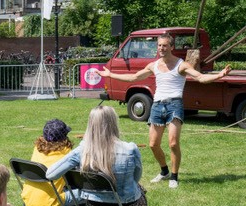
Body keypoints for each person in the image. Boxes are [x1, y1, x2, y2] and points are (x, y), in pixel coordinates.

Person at [97, 33, 232, 188]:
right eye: (159, 45)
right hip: (157, 106)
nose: (161, 48)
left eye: (165, 45)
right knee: (153, 144)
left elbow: (200, 78)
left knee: (173, 143)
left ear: (171, 47)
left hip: (174, 105)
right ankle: (164, 171)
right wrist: (110, 74)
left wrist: (220, 75)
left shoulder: (181, 65)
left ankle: (174, 176)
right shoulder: (153, 65)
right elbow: (134, 78)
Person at [47, 106, 155, 206]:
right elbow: (136, 179)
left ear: (90, 125)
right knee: (140, 194)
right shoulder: (130, 149)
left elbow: (50, 174)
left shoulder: (82, 150)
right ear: (114, 123)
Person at [21, 119, 75, 206]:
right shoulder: (67, 154)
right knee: (85, 194)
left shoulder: (37, 149)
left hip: (29, 199)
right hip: (49, 202)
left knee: (58, 191)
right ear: (64, 137)